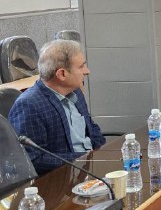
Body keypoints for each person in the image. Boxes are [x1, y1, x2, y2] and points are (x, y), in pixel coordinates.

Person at [9, 40, 105, 174]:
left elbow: (91, 128)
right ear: (62, 74)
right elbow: (33, 159)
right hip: (63, 178)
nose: (87, 71)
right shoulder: (29, 105)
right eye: (81, 66)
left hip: (89, 169)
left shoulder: (75, 91)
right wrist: (83, 158)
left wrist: (101, 154)